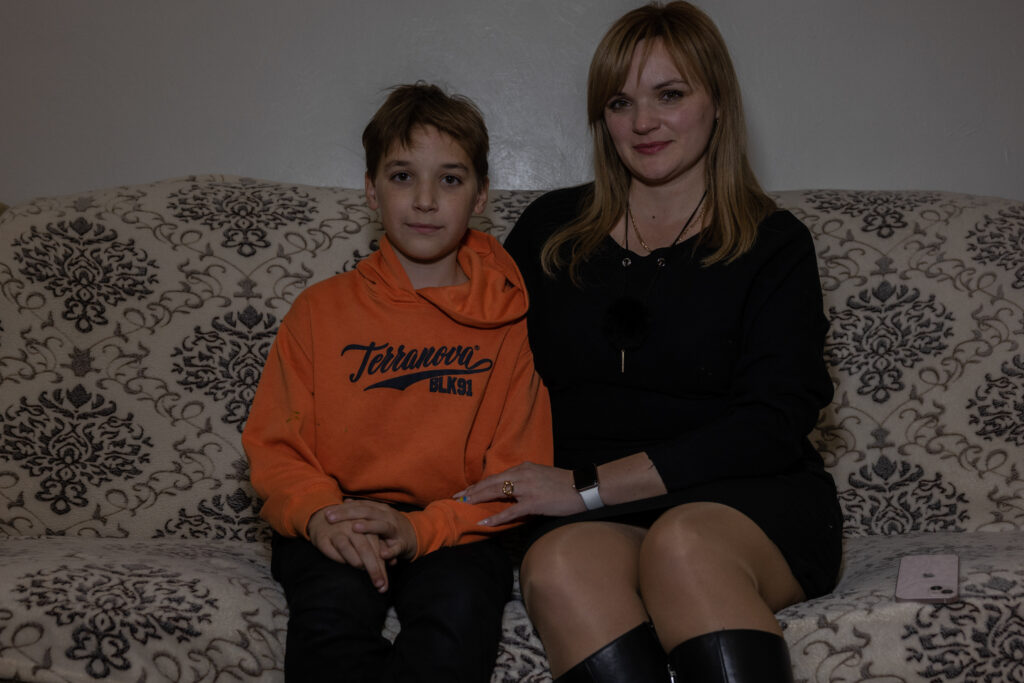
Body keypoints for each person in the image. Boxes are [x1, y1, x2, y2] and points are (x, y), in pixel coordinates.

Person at [455, 3, 843, 682]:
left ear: (717, 101)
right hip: (590, 517)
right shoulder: (551, 230)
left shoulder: (773, 244)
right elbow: (472, 361)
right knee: (557, 565)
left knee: (682, 542)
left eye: (670, 94)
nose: (641, 123)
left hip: (745, 502)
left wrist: (586, 487)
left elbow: (772, 422)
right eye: (619, 101)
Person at [242, 83, 553, 683]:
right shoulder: (318, 311)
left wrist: (423, 529)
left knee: (456, 623)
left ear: (482, 195)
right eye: (403, 176)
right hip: (336, 516)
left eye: (452, 179)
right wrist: (319, 516)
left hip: (456, 528)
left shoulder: (509, 322)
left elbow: (518, 475)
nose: (427, 200)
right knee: (328, 625)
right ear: (370, 190)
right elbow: (275, 449)